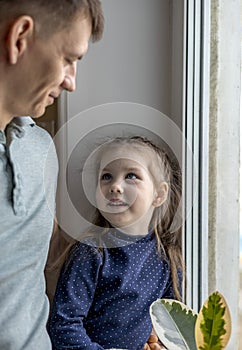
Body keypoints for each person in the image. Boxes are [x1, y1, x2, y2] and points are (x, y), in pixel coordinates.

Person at [0, 1, 104, 349]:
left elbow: (29, 259)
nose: (72, 82)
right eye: (68, 59)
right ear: (20, 37)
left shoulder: (40, 146)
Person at [48, 136, 185, 350]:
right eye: (106, 177)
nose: (115, 186)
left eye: (131, 175)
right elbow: (64, 326)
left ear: (159, 194)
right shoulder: (91, 252)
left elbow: (173, 328)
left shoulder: (167, 258)